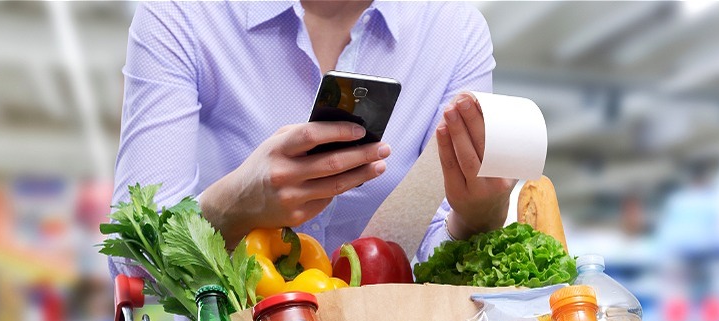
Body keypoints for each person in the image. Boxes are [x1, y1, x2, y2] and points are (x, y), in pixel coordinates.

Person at [112, 0, 516, 267]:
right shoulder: (182, 15)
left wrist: (475, 218)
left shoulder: (454, 31)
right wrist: (230, 207)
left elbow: (426, 253)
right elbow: (131, 253)